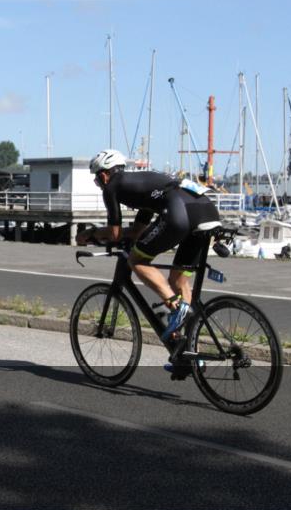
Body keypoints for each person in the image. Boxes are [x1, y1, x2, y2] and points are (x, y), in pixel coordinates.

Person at [77, 149, 220, 358]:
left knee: (138, 260)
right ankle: (190, 351)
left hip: (180, 212)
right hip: (206, 211)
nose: (98, 184)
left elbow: (115, 234)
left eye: (97, 180)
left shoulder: (112, 187)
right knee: (179, 280)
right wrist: (123, 235)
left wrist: (90, 234)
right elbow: (136, 232)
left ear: (104, 174)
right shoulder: (146, 185)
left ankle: (175, 306)